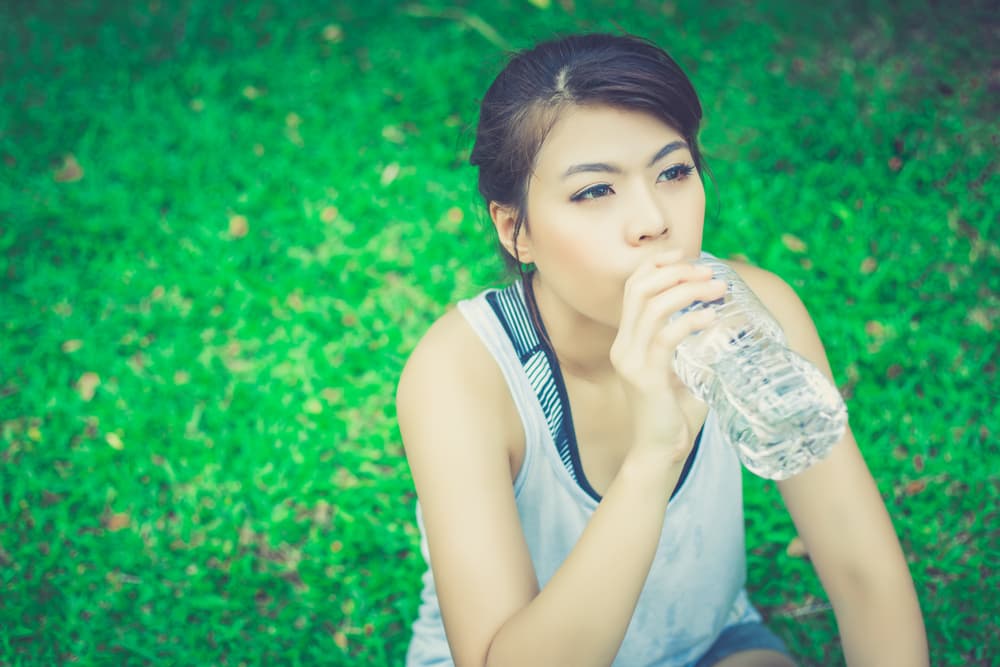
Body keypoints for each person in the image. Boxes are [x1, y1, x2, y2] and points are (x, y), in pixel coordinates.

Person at [396, 33, 928, 667]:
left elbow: (863, 571)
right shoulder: (462, 376)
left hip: (708, 646)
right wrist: (654, 457)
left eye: (673, 172)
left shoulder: (755, 314)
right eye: (595, 191)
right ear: (516, 230)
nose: (653, 219)